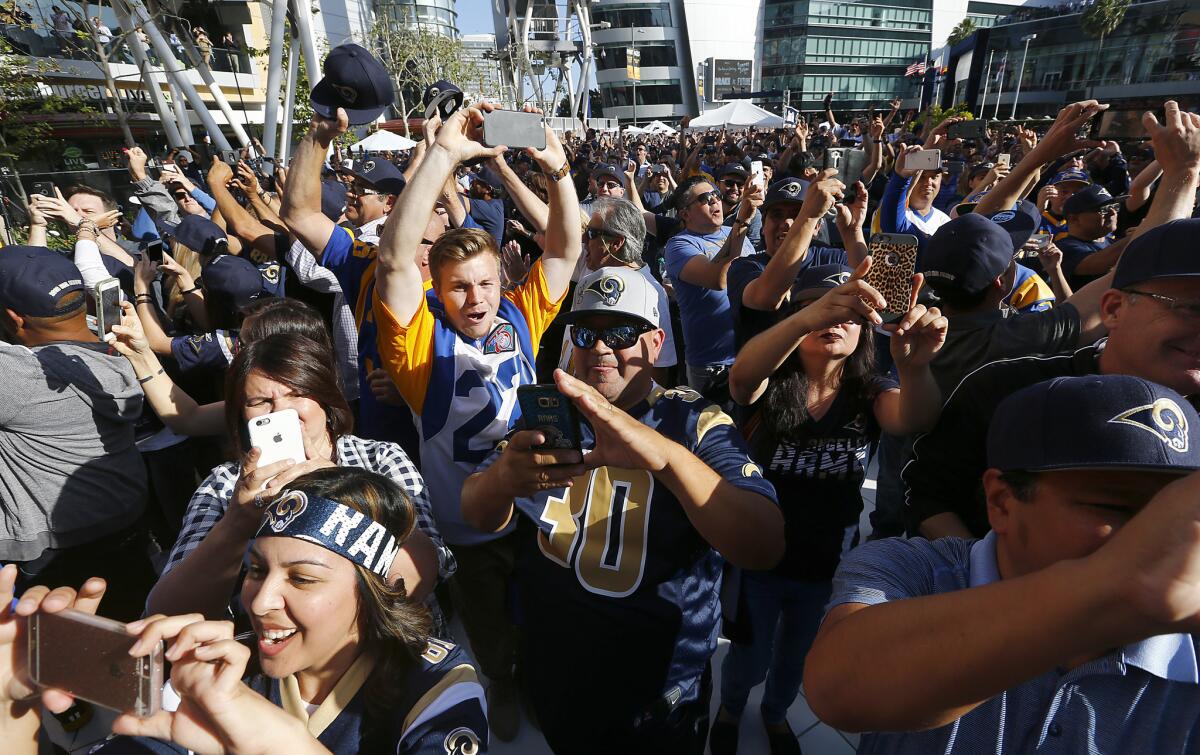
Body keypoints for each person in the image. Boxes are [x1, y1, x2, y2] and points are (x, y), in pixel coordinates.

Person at [460, 266, 783, 754]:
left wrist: (662, 457)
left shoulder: (691, 420)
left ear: (655, 344)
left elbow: (763, 543)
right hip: (557, 673)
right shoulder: (550, 414)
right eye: (586, 332)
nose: (600, 347)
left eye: (621, 332)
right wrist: (504, 480)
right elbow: (476, 514)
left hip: (659, 693)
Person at [805, 375, 1200, 752]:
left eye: (1179, 513)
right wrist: (1113, 588)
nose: (1164, 536)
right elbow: (839, 688)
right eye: (1112, 505)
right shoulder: (912, 570)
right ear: (1002, 502)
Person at [0, 467, 489, 754]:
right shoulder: (218, 670)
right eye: (256, 571)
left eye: (302, 578)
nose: (258, 601)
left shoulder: (435, 685)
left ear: (373, 589)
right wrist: (11, 710)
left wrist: (266, 739)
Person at [372, 102, 582, 740]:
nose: (476, 299)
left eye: (486, 283)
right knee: (488, 621)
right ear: (436, 287)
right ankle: (503, 682)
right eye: (459, 287)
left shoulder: (520, 316)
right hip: (467, 519)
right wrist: (442, 155)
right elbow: (391, 261)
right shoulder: (416, 347)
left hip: (540, 502)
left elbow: (567, 249)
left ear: (501, 280)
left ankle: (542, 676)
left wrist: (558, 171)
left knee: (548, 606)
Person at [905, 100, 1200, 540]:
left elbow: (966, 239)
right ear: (1005, 282)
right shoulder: (1017, 348)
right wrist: (1183, 172)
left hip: (915, 518)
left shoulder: (914, 321)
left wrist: (1040, 154)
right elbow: (1129, 274)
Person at [711, 261, 946, 755]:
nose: (835, 321)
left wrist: (914, 365)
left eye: (849, 314)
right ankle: (731, 709)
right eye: (820, 309)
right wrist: (803, 319)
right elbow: (741, 379)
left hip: (826, 561)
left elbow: (914, 417)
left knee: (797, 655)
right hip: (760, 558)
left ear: (865, 332)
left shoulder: (869, 392)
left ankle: (775, 716)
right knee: (748, 656)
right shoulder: (771, 382)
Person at [145, 333, 454, 641]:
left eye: (296, 394)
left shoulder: (379, 459)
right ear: (242, 415)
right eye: (261, 401)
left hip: (389, 650)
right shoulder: (225, 486)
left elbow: (422, 576)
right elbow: (169, 615)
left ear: (325, 397)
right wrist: (237, 523)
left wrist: (341, 491)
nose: (281, 411)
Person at [0, 245, 153, 620]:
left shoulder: (21, 374)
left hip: (54, 553)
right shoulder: (121, 346)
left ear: (14, 319)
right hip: (126, 523)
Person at [726, 174, 868, 347]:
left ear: (817, 227)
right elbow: (765, 298)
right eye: (777, 215)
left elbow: (866, 293)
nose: (786, 222)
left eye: (797, 214)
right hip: (768, 372)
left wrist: (852, 233)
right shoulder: (745, 267)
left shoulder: (831, 257)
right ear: (763, 226)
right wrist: (807, 217)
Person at [558, 197, 678, 385]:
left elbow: (659, 367)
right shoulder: (592, 271)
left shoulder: (651, 292)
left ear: (616, 243)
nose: (583, 240)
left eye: (590, 234)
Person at [665, 176, 762, 397]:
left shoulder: (734, 233)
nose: (715, 201)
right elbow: (718, 279)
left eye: (716, 195)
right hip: (713, 365)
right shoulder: (680, 245)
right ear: (685, 214)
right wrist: (741, 222)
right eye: (705, 198)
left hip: (750, 354)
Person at [1056, 183, 1126, 290]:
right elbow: (1100, 263)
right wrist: (1142, 232)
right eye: (1104, 209)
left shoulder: (1115, 244)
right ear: (1074, 219)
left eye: (1114, 206)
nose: (1112, 213)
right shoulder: (1063, 248)